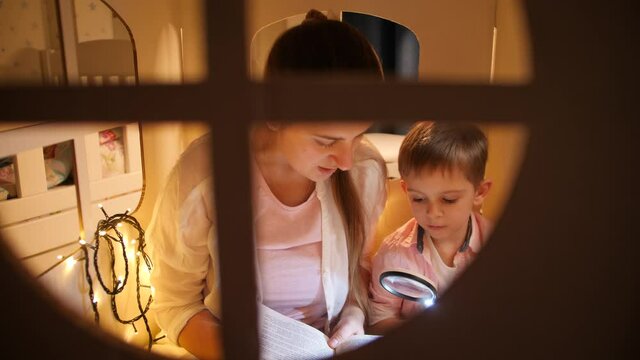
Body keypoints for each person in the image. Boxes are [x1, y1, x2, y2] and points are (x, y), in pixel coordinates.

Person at [147, 10, 387, 360]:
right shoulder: (206, 172)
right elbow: (174, 302)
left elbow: (359, 272)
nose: (346, 161)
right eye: (325, 141)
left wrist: (354, 315)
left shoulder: (365, 171)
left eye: (358, 136)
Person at [367, 121, 493, 334]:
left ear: (480, 192)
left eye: (449, 199)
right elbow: (380, 319)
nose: (433, 213)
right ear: (406, 190)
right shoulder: (394, 255)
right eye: (418, 198)